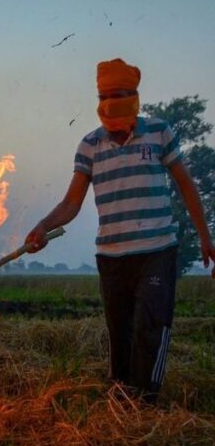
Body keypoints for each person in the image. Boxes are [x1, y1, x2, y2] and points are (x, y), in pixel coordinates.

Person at [25, 58, 215, 401]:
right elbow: (71, 203)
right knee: (121, 331)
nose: (112, 112)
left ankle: (146, 402)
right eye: (106, 98)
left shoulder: (158, 132)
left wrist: (205, 236)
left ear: (134, 100)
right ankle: (122, 396)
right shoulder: (90, 146)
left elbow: (186, 184)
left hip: (156, 251)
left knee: (150, 324)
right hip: (111, 257)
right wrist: (42, 226)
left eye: (119, 97)